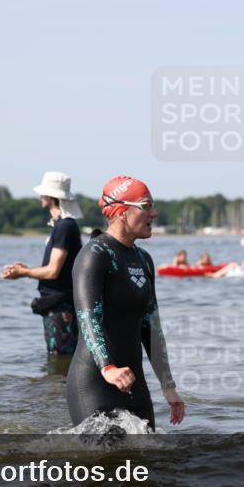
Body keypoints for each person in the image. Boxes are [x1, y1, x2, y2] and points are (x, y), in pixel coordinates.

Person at [66, 175, 185, 429]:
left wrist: (168, 386)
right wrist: (108, 367)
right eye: (145, 206)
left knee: (148, 452)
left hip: (133, 382)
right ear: (121, 213)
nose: (154, 213)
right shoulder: (94, 255)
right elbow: (88, 318)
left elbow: (151, 327)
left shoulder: (144, 260)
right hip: (96, 381)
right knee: (102, 454)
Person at [1, 172, 83, 355]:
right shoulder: (62, 226)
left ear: (51, 197)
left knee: (61, 357)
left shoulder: (64, 227)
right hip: (60, 304)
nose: (40, 197)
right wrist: (26, 270)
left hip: (62, 306)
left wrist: (23, 273)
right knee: (60, 358)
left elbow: (53, 271)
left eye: (43, 193)